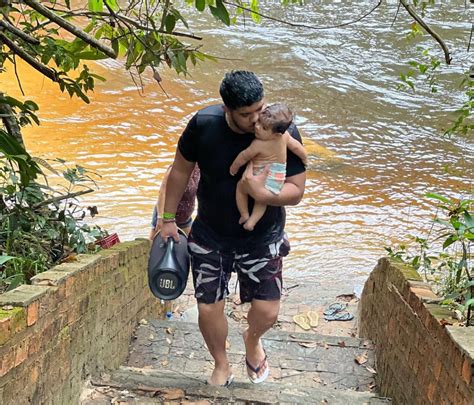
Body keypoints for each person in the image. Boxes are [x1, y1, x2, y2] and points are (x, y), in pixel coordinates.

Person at [160, 71, 306, 386]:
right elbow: (180, 172)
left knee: (267, 311)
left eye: (260, 109)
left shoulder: (281, 127)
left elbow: (297, 189)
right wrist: (167, 219)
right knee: (208, 306)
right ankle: (221, 363)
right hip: (211, 233)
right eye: (246, 115)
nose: (257, 120)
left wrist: (266, 196)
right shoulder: (204, 125)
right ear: (227, 109)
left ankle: (252, 340)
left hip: (263, 235)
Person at [230, 103, 307, 231]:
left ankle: (244, 214)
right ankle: (252, 222)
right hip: (277, 176)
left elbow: (244, 156)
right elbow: (297, 147)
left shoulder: (258, 144)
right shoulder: (285, 136)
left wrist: (234, 168)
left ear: (276, 134)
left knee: (240, 188)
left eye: (264, 127)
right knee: (262, 201)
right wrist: (305, 159)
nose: (257, 126)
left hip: (260, 173)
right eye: (259, 121)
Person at [148, 164, 200, 239]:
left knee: (189, 244)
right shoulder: (175, 169)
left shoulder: (199, 170)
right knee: (153, 244)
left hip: (185, 219)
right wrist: (160, 218)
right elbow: (162, 193)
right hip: (165, 216)